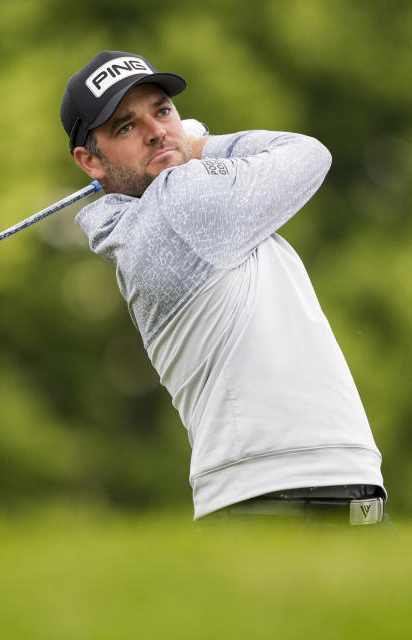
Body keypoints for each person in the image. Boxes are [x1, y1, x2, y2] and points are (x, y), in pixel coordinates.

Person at [60, 51, 387, 526]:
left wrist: (180, 147)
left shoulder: (173, 209)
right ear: (90, 161)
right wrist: (199, 142)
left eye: (163, 111)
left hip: (322, 481)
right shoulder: (180, 208)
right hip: (276, 490)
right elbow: (308, 153)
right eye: (126, 127)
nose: (156, 131)